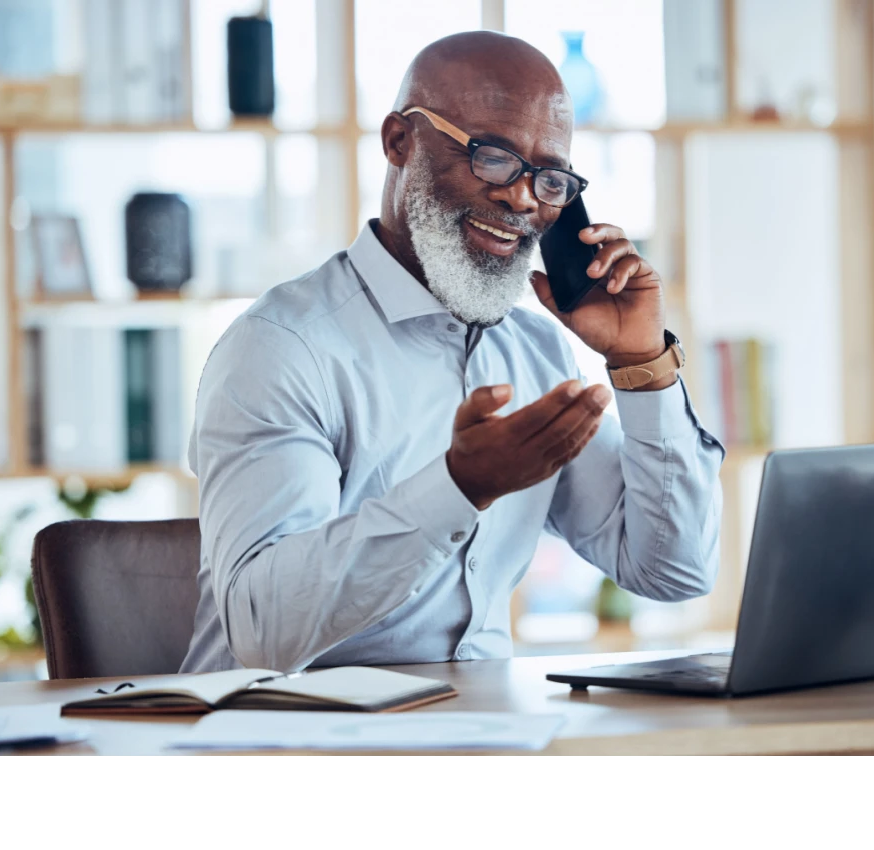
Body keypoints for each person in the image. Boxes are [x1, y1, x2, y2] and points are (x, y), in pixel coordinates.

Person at [179, 31, 724, 674]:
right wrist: (459, 486)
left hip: (481, 728)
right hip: (285, 735)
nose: (521, 198)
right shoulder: (282, 348)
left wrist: (643, 368)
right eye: (493, 157)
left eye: (549, 178)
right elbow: (263, 632)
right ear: (399, 141)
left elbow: (674, 569)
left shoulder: (536, 350)